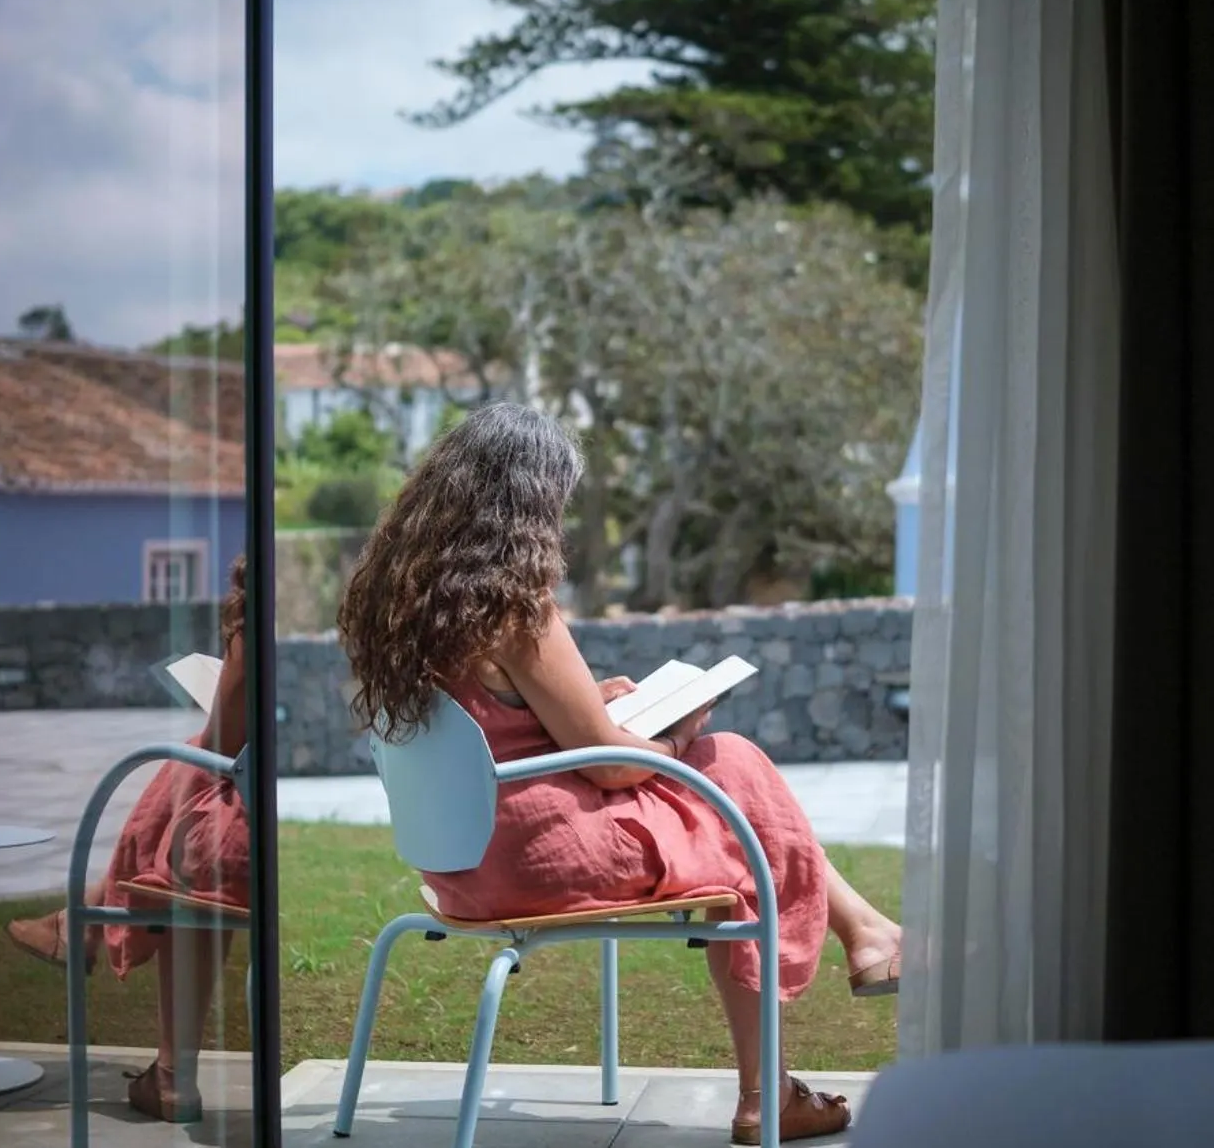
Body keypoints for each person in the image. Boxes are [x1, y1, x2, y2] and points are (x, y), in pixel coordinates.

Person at [337, 402, 904, 1145]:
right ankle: (775, 1078)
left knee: (732, 786)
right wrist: (671, 738)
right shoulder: (515, 607)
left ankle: (862, 935)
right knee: (731, 767)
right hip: (533, 856)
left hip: (458, 858)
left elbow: (489, 728)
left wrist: (596, 708)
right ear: (525, 506)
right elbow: (605, 765)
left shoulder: (396, 608)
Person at [4, 553, 251, 1124]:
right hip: (245, 835)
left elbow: (223, 737)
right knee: (181, 856)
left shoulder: (251, 637)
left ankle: (80, 922)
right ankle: (168, 1077)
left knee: (185, 814)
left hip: (231, 847)